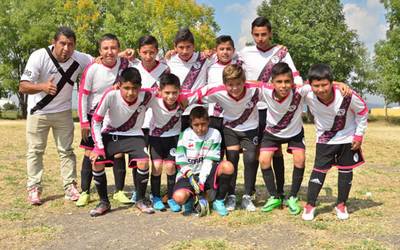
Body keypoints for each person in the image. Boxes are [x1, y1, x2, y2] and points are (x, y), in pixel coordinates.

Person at [20, 26, 93, 205]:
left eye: (70, 44)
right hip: (39, 111)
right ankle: (34, 188)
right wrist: (42, 87)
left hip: (63, 112)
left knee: (66, 151)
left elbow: (101, 60)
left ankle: (70, 186)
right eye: (62, 43)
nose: (66, 48)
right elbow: (23, 86)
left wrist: (123, 54)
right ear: (54, 43)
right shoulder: (38, 57)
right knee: (35, 151)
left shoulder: (80, 58)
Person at [240, 17, 303, 200]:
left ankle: (280, 191)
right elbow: (227, 65)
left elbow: (296, 79)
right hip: (251, 109)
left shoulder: (281, 52)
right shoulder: (245, 52)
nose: (260, 38)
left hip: (272, 108)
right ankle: (249, 192)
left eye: (264, 34)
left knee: (276, 151)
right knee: (255, 151)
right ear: (252, 34)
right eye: (256, 35)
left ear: (271, 33)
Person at [186, 64, 262, 212]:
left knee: (251, 159)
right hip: (230, 129)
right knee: (231, 160)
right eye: (230, 85)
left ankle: (247, 196)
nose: (235, 88)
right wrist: (181, 100)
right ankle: (231, 195)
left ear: (244, 81)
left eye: (238, 84)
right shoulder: (217, 90)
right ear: (224, 84)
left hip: (250, 128)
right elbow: (197, 94)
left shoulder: (255, 88)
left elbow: (274, 90)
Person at [301, 64, 368, 221]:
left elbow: (363, 111)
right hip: (325, 139)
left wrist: (358, 136)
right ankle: (310, 205)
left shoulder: (347, 95)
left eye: (325, 84)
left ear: (331, 83)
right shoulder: (307, 92)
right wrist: (338, 82)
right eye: (316, 85)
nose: (321, 89)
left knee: (346, 171)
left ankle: (341, 204)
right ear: (310, 85)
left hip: (347, 138)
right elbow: (291, 86)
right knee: (318, 171)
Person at [89, 67, 155, 216]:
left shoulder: (147, 95)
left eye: (135, 88)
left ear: (140, 87)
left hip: (134, 135)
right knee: (96, 161)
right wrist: (98, 147)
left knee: (144, 161)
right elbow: (96, 121)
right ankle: (104, 202)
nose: (131, 93)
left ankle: (140, 199)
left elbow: (167, 93)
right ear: (119, 85)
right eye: (126, 88)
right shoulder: (111, 95)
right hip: (111, 134)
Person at [77, 33, 131, 207]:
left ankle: (119, 191)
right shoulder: (92, 68)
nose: (110, 52)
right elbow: (83, 96)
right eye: (105, 48)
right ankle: (85, 192)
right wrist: (84, 121)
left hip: (115, 116)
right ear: (99, 51)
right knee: (89, 153)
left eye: (114, 48)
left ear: (119, 50)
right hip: (94, 117)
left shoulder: (124, 65)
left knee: (118, 152)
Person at [259, 63, 307, 215]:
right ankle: (274, 196)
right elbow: (248, 84)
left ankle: (292, 196)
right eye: (279, 82)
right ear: (272, 83)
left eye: (287, 81)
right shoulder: (264, 90)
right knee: (264, 160)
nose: (283, 85)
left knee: (300, 159)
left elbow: (317, 83)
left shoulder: (300, 91)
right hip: (272, 132)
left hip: (294, 132)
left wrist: (340, 84)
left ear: (292, 82)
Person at [173, 106, 234, 216]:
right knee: (179, 197)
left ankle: (218, 201)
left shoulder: (215, 134)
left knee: (228, 166)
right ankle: (189, 200)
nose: (200, 128)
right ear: (191, 123)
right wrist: (191, 177)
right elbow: (181, 161)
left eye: (203, 124)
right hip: (188, 175)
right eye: (196, 125)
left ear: (208, 122)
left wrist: (201, 181)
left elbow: (209, 161)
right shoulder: (185, 134)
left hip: (206, 172)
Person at [130, 35, 170, 203]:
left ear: (157, 52)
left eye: (152, 52)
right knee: (138, 158)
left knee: (156, 161)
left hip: (156, 122)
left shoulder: (165, 69)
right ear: (139, 52)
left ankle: (156, 193)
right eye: (145, 52)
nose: (148, 56)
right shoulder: (133, 68)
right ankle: (137, 190)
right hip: (137, 122)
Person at [206, 35, 242, 210]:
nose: (225, 52)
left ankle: (231, 193)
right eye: (221, 49)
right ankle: (215, 190)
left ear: (233, 51)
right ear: (216, 51)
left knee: (232, 157)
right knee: (214, 156)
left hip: (232, 117)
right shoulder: (209, 65)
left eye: (228, 49)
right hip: (213, 117)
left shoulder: (239, 66)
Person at [146, 73, 182, 212]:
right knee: (156, 166)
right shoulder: (154, 99)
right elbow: (140, 93)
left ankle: (171, 197)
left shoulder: (183, 100)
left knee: (171, 167)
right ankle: (155, 197)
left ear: (180, 91)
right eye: (167, 93)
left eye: (174, 93)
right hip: (156, 138)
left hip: (173, 138)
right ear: (160, 91)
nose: (171, 96)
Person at [166, 28, 211, 131]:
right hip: (178, 112)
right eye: (181, 47)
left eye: (188, 47)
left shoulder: (204, 58)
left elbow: (229, 55)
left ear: (194, 46)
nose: (185, 51)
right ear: (175, 47)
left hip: (199, 113)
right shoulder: (170, 61)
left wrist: (210, 52)